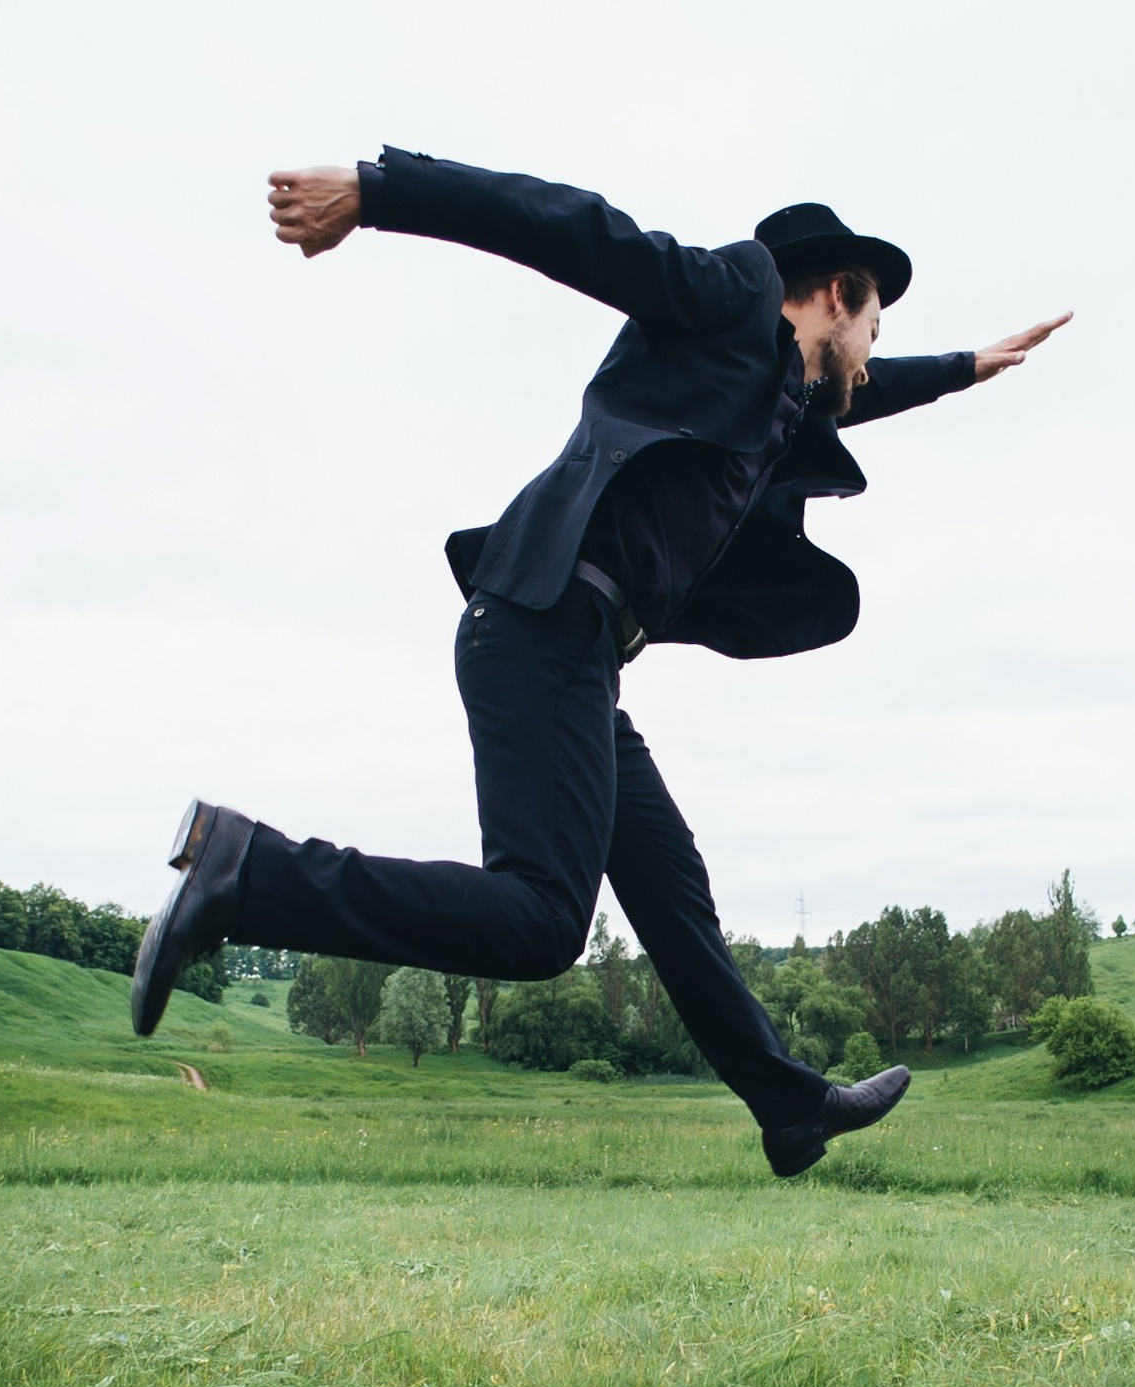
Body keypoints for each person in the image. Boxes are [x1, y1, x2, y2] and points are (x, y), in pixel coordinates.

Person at [133, 147, 1067, 1178]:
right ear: (838, 293)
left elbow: (863, 390)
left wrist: (967, 369)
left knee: (669, 884)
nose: (872, 352)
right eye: (874, 326)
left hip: (580, 650)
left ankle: (789, 1108)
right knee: (538, 921)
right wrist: (379, 190)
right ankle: (246, 869)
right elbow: (568, 225)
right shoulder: (727, 298)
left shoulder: (772, 398)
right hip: (538, 627)